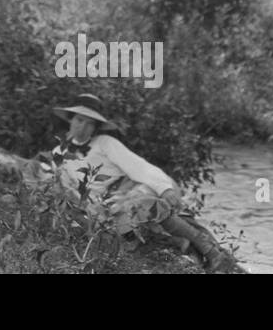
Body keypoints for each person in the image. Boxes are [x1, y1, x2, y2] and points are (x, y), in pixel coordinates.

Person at [48, 93, 245, 273]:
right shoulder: (59, 153)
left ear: (95, 128)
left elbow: (139, 168)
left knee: (146, 204)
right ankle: (164, 245)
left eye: (90, 124)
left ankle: (210, 251)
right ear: (70, 120)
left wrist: (165, 188)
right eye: (79, 120)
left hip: (118, 198)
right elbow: (65, 188)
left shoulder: (105, 143)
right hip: (90, 210)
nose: (82, 127)